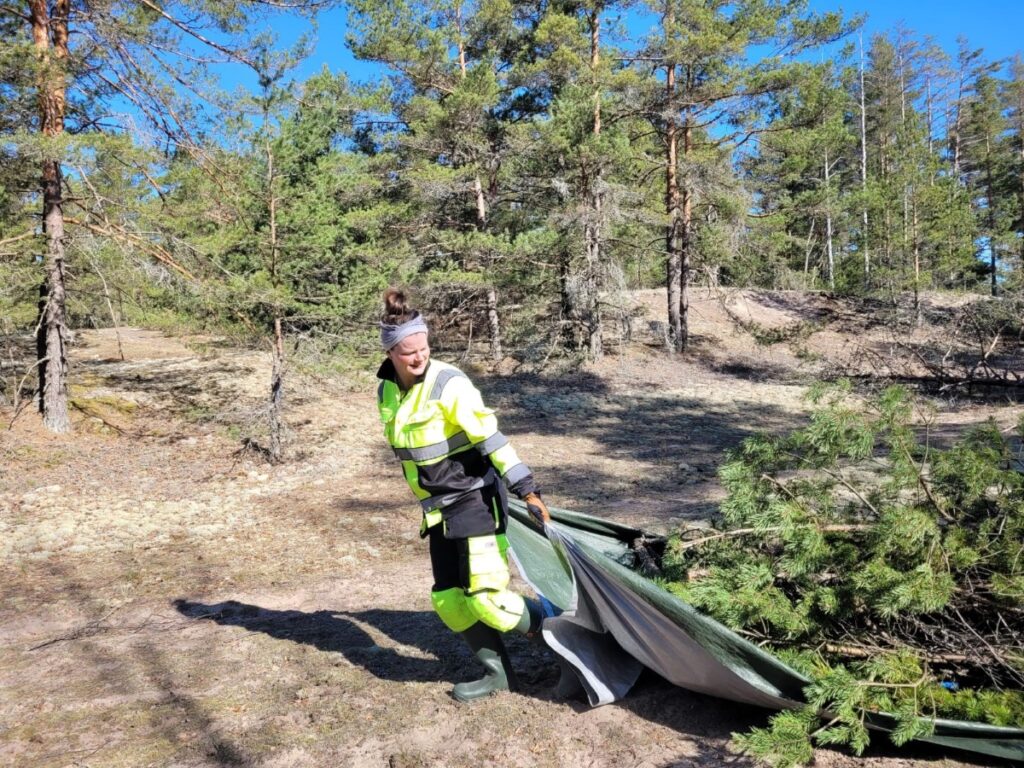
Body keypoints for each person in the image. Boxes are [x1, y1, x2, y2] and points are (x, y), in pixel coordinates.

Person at [375, 288, 553, 702]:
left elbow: (491, 440)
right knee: (450, 601)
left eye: (424, 348)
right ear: (389, 352)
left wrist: (527, 488)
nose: (419, 358)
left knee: (489, 600)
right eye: (408, 352)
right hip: (437, 509)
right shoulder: (386, 391)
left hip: (474, 501)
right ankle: (499, 675)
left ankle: (576, 649)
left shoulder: (449, 384)